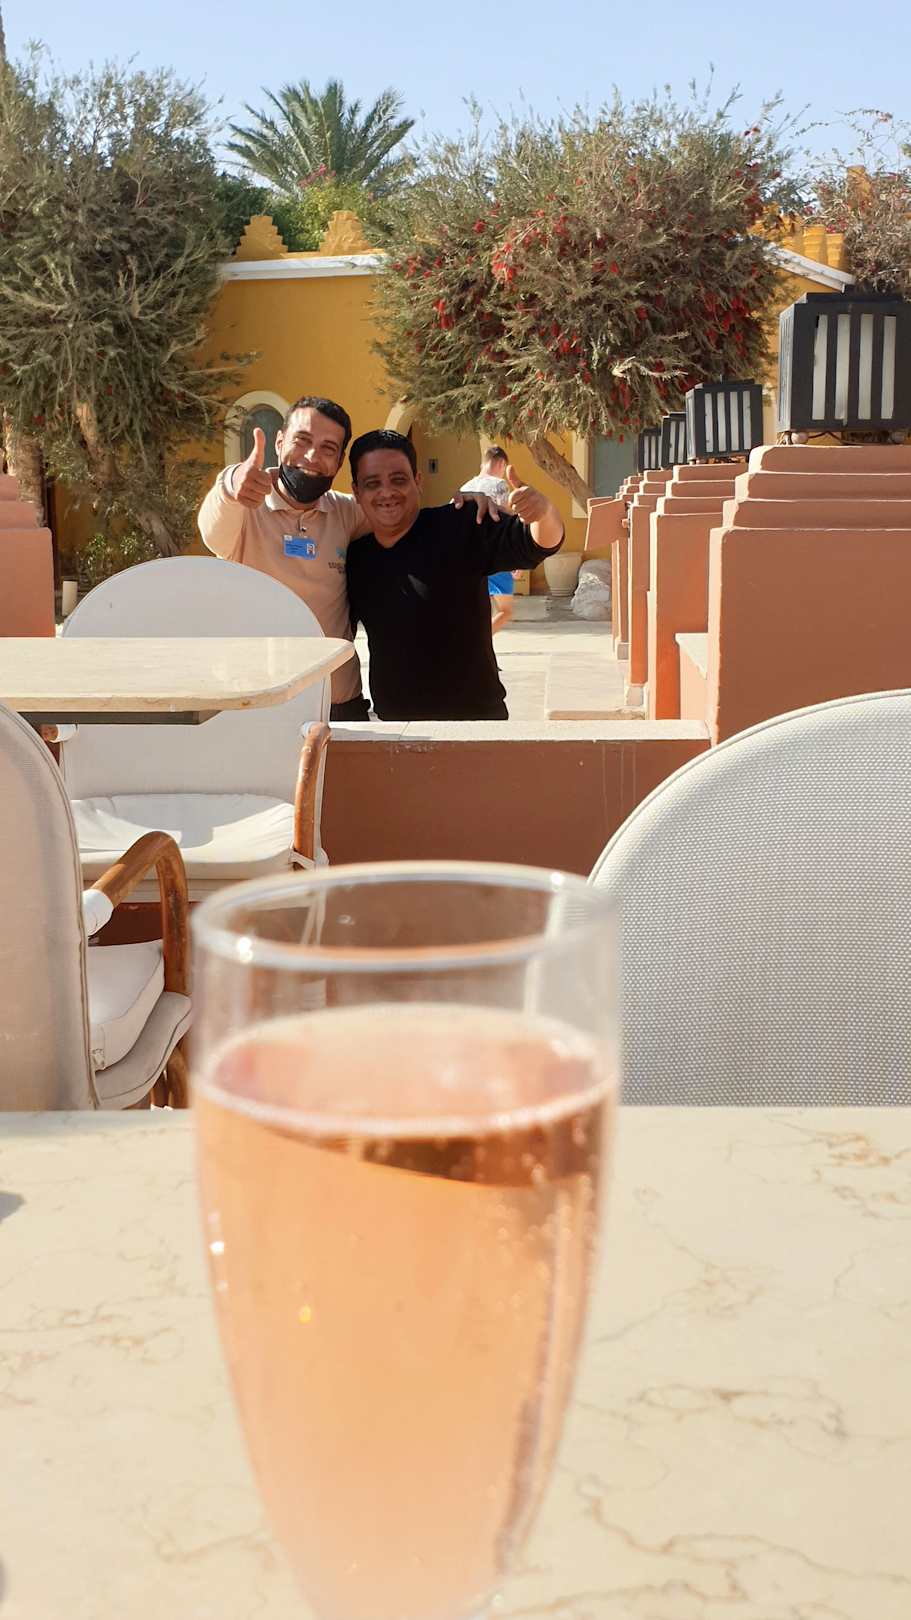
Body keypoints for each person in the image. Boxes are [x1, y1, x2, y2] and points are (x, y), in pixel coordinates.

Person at [198, 397, 498, 721]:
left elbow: (397, 512)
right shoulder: (243, 510)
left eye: (328, 448)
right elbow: (212, 528)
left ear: (340, 462)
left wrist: (464, 507)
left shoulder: (345, 513)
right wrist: (231, 484)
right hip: (266, 709)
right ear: (280, 442)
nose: (312, 456)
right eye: (302, 441)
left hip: (342, 706)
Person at [346, 429, 564, 720]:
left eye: (398, 480)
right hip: (396, 732)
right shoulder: (355, 557)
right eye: (372, 483)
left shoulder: (461, 524)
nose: (386, 493)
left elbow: (538, 544)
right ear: (356, 491)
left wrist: (544, 513)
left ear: (418, 481)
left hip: (475, 730)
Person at [460, 446, 516, 633]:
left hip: (467, 557)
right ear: (501, 464)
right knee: (505, 611)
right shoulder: (499, 485)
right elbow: (505, 523)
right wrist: (514, 562)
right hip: (493, 555)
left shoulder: (465, 488)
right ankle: (477, 642)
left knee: (474, 610)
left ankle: (471, 642)